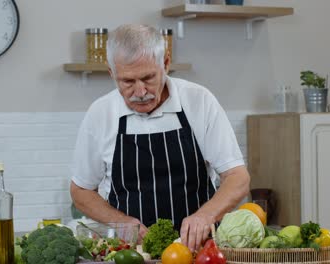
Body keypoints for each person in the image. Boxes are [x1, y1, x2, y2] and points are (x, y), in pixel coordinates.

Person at [70, 24, 250, 251]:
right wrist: (122, 222)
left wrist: (205, 216)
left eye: (148, 78)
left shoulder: (199, 101)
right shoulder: (101, 113)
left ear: (165, 63)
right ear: (111, 73)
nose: (140, 92)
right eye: (127, 82)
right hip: (130, 252)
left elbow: (237, 177)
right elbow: (81, 191)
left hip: (200, 250)